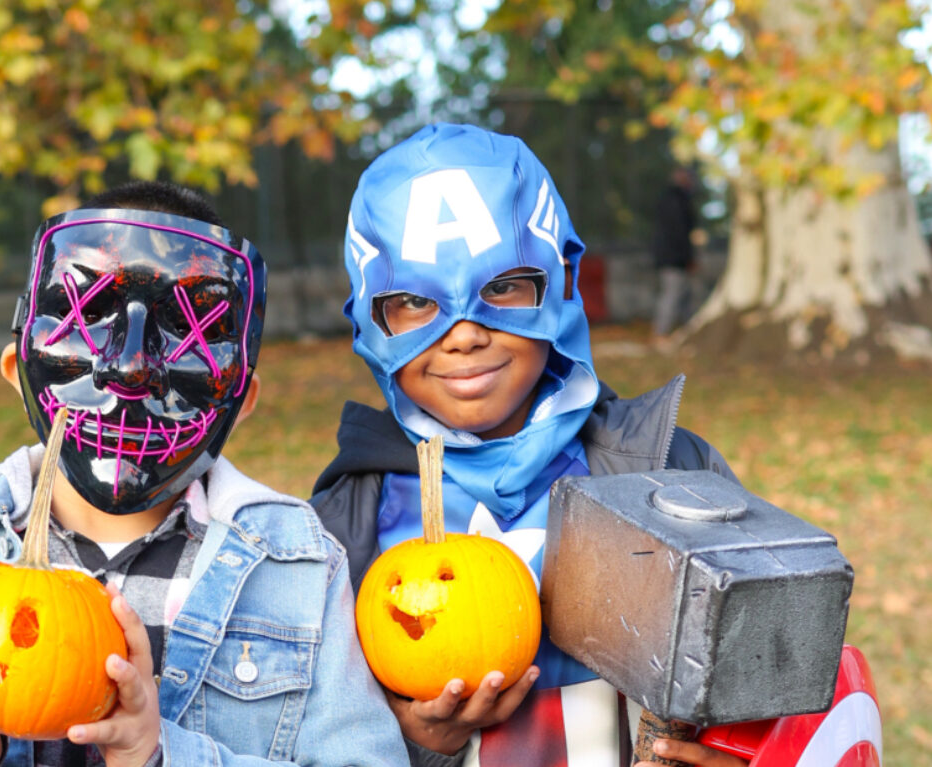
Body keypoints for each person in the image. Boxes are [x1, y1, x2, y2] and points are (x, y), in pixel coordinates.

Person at [0, 181, 411, 767]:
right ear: (14, 367)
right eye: (90, 311)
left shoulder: (297, 567)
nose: (129, 368)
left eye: (191, 325)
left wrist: (159, 756)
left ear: (244, 396)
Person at [309, 124, 744, 767]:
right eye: (412, 302)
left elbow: (759, 677)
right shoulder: (346, 517)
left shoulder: (672, 469)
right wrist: (413, 740)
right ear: (369, 318)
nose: (462, 336)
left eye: (503, 288)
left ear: (562, 278)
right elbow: (312, 740)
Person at [651, 165, 699, 340]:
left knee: (684, 295)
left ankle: (687, 331)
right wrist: (688, 258)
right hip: (673, 259)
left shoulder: (673, 199)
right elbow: (679, 233)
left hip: (672, 257)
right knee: (672, 295)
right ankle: (661, 333)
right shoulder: (676, 201)